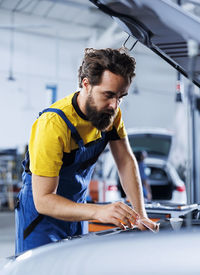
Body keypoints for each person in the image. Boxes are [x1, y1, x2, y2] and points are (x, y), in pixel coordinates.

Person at [15, 48, 158, 255]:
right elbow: (44, 200)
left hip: (77, 214)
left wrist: (141, 215)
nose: (114, 105)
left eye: (121, 97)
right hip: (41, 221)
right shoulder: (53, 125)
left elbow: (126, 161)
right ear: (86, 84)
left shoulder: (110, 114)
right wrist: (99, 211)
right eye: (108, 95)